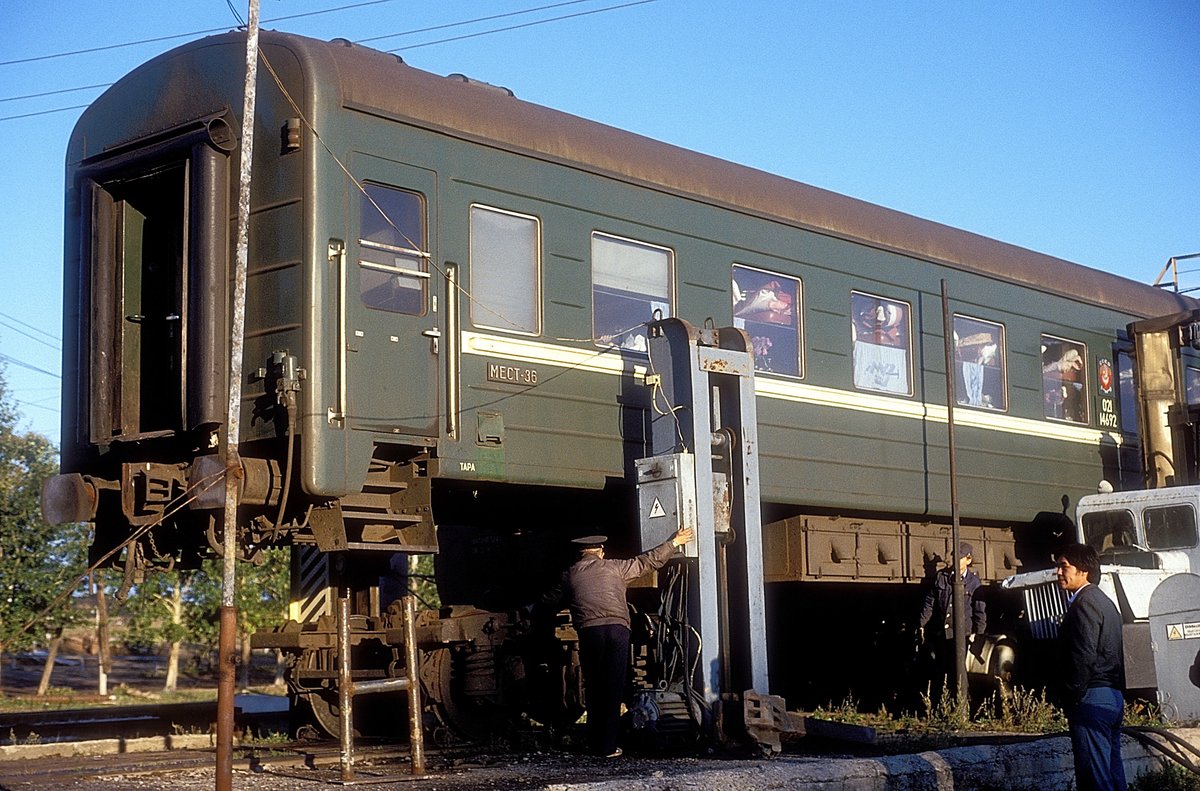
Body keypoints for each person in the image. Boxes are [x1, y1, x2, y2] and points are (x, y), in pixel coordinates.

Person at [542, 526, 695, 758]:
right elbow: (648, 562)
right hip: (617, 630)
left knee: (595, 688)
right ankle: (608, 747)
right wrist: (674, 542)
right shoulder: (615, 568)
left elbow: (548, 601)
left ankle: (596, 745)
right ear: (600, 551)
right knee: (613, 688)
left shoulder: (569, 574)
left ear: (580, 554)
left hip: (590, 632)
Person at [1056, 543, 1127, 791]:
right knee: (1113, 774)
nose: (1058, 572)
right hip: (1112, 697)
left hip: (1092, 699)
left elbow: (1083, 654)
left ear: (1083, 570)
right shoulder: (1106, 602)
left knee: (1094, 780)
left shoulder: (1084, 603)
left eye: (1064, 566)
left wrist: (1073, 695)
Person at [917, 541, 986, 699]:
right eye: (954, 556)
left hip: (961, 634)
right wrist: (921, 624)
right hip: (943, 633)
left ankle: (962, 705)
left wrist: (979, 634)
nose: (956, 560)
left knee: (958, 669)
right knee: (940, 669)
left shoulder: (974, 583)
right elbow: (930, 602)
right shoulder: (942, 577)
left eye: (960, 557)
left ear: (968, 560)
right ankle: (938, 705)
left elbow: (979, 611)